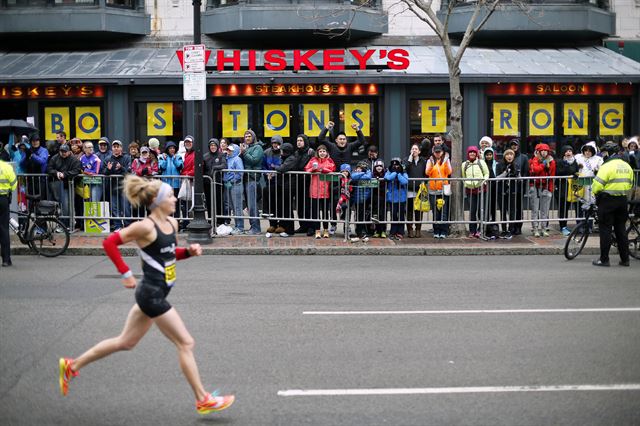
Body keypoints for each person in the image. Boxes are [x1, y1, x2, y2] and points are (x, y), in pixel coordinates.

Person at [58, 175, 234, 414]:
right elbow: (109, 243)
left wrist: (189, 252)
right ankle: (202, 398)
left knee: (125, 342)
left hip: (155, 292)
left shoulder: (172, 224)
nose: (174, 199)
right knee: (185, 342)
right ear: (156, 200)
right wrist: (125, 273)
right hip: (151, 295)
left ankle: (71, 365)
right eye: (170, 196)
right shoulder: (144, 227)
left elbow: (168, 253)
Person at [591, 142, 634, 267]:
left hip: (607, 201)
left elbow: (597, 186)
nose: (603, 155)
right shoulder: (627, 166)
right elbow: (630, 184)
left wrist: (596, 192)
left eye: (604, 152)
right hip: (622, 201)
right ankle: (625, 259)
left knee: (605, 230)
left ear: (609, 153)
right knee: (621, 230)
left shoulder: (607, 166)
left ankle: (604, 260)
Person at [304, 144, 336, 239]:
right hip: (314, 191)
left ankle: (326, 230)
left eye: (324, 151)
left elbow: (332, 169)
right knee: (315, 212)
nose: (322, 153)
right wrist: (313, 169)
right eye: (320, 151)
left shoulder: (329, 161)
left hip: (326, 191)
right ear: (317, 152)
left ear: (326, 153)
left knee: (326, 212)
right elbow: (306, 169)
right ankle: (317, 230)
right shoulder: (313, 160)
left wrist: (321, 169)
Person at [47, 144, 81, 228]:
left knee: (67, 206)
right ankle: (63, 224)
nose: (63, 153)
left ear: (69, 151)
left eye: (65, 151)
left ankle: (67, 225)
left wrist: (64, 174)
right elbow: (49, 168)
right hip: (56, 186)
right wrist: (56, 173)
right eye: (61, 151)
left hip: (68, 185)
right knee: (60, 206)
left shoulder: (73, 159)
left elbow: (77, 170)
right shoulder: (55, 158)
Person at [528, 143, 556, 237]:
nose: (544, 152)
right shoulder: (534, 159)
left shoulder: (551, 161)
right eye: (542, 151)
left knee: (545, 209)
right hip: (535, 186)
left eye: (546, 151)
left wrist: (550, 189)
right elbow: (535, 170)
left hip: (546, 186)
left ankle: (544, 228)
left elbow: (552, 175)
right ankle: (535, 228)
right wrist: (543, 165)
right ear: (538, 152)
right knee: (535, 209)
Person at [103, 140, 131, 230]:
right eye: (114, 147)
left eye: (117, 146)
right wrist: (108, 169)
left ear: (121, 148)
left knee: (126, 207)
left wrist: (121, 168)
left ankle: (127, 226)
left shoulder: (127, 158)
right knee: (114, 208)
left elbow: (129, 172)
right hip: (112, 187)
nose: (116, 148)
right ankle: (118, 226)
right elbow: (103, 172)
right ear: (112, 148)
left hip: (124, 187)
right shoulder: (108, 159)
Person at [461, 146, 489, 238]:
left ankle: (481, 230)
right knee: (472, 211)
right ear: (468, 154)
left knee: (481, 210)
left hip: (481, 189)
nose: (472, 154)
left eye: (473, 152)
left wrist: (484, 181)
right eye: (470, 152)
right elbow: (463, 176)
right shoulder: (464, 164)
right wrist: (466, 183)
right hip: (470, 190)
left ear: (476, 153)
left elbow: (486, 173)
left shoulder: (481, 163)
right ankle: (472, 230)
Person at [240, 130, 264, 235]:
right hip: (245, 178)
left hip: (252, 179)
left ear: (253, 137)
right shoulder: (247, 148)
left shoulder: (257, 148)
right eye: (246, 136)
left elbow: (254, 160)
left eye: (249, 136)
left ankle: (256, 228)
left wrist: (244, 153)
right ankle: (252, 226)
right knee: (249, 205)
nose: (247, 138)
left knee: (253, 205)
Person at [426, 145, 452, 238]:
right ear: (433, 152)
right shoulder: (430, 161)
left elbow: (449, 172)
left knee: (444, 212)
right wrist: (433, 164)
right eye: (436, 152)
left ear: (442, 152)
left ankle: (444, 231)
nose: (437, 153)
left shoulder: (446, 160)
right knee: (435, 212)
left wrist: (446, 162)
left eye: (439, 152)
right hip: (433, 190)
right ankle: (436, 231)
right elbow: (427, 172)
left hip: (443, 190)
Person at [293, 134, 315, 235]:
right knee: (300, 205)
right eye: (298, 140)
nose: (299, 142)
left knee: (308, 206)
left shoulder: (310, 152)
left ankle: (311, 227)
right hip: (298, 182)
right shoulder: (296, 153)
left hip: (309, 182)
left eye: (301, 140)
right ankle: (303, 225)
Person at [556, 145, 580, 236]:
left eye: (570, 151)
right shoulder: (560, 162)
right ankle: (563, 226)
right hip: (562, 189)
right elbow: (559, 172)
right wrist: (569, 170)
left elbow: (576, 171)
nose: (568, 153)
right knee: (563, 208)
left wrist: (575, 174)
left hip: (573, 189)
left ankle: (579, 226)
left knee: (576, 207)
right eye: (566, 151)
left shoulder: (575, 162)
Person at [262, 136, 283, 235]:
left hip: (281, 182)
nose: (275, 145)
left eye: (277, 143)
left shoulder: (283, 152)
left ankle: (281, 224)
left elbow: (285, 165)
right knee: (271, 203)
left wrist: (276, 171)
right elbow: (263, 166)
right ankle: (272, 224)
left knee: (280, 204)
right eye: (274, 143)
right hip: (270, 181)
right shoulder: (267, 152)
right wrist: (267, 173)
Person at [405, 143, 427, 238]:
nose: (414, 150)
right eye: (412, 149)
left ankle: (418, 229)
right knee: (409, 210)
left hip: (420, 190)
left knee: (419, 210)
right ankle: (410, 229)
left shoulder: (423, 161)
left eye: (416, 149)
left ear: (419, 151)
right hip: (410, 189)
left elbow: (425, 173)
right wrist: (410, 160)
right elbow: (405, 169)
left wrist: (424, 183)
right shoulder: (407, 160)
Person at [508, 139, 529, 235]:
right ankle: (511, 227)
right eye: (512, 145)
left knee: (519, 208)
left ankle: (518, 227)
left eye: (515, 145)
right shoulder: (508, 156)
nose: (514, 146)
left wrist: (521, 179)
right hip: (510, 187)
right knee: (511, 208)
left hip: (520, 187)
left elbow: (526, 172)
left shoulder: (524, 157)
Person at [223, 143, 245, 234]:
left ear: (235, 151)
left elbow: (240, 173)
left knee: (237, 207)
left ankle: (240, 227)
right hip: (229, 185)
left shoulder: (237, 159)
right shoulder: (228, 159)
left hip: (236, 185)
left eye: (230, 150)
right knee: (233, 207)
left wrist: (232, 180)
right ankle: (237, 226)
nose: (228, 151)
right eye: (228, 150)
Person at [385, 158, 409, 240]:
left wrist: (398, 174)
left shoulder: (403, 172)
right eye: (394, 164)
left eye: (397, 164)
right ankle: (393, 231)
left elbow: (405, 181)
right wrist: (394, 173)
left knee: (401, 216)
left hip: (401, 198)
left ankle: (400, 232)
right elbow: (387, 178)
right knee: (393, 215)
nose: (395, 166)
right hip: (392, 198)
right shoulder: (389, 171)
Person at [0, 159, 17, 267]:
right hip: (3, 200)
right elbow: (14, 184)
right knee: (3, 229)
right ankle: (6, 260)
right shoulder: (6, 167)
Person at [350, 160, 373, 241]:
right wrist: (363, 173)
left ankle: (364, 230)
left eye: (361, 168)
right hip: (357, 198)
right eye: (358, 168)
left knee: (364, 215)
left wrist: (362, 174)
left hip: (366, 198)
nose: (359, 169)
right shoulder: (354, 172)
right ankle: (359, 231)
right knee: (358, 215)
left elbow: (368, 177)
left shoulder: (368, 172)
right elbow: (353, 176)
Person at [179, 136, 196, 231]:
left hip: (191, 182)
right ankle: (186, 222)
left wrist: (184, 174)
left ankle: (190, 222)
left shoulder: (195, 154)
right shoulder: (184, 154)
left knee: (191, 204)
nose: (188, 144)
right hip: (185, 181)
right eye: (186, 142)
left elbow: (195, 169)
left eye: (189, 142)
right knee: (184, 203)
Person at [483, 147, 500, 239]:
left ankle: (493, 223)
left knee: (493, 206)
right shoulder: (482, 163)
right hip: (485, 188)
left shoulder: (496, 164)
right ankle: (485, 224)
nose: (489, 156)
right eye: (487, 155)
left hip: (494, 187)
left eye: (490, 155)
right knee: (486, 206)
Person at [370, 159, 387, 238]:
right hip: (375, 198)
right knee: (376, 214)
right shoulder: (373, 175)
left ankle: (383, 230)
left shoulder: (385, 175)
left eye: (380, 166)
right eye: (377, 166)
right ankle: (377, 230)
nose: (379, 167)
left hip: (383, 197)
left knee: (383, 214)